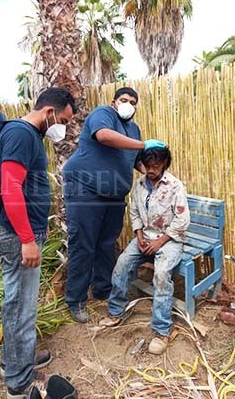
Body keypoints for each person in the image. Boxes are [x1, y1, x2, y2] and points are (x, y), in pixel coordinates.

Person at [0, 87, 76, 399]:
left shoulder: (28, 136)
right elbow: (10, 188)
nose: (64, 128)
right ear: (49, 113)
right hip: (20, 236)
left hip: (23, 233)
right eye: (64, 120)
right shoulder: (20, 134)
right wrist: (28, 239)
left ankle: (15, 361)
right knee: (21, 307)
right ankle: (18, 381)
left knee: (19, 304)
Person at [62, 87, 165, 323]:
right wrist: (143, 145)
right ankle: (76, 299)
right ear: (114, 102)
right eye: (124, 100)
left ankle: (102, 289)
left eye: (133, 102)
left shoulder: (134, 129)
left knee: (107, 244)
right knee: (84, 244)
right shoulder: (103, 114)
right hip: (85, 188)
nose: (128, 104)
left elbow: (136, 161)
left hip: (114, 193)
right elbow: (104, 136)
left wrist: (153, 174)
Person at [99, 147, 190, 355]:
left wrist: (160, 241)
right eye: (147, 166)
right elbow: (134, 212)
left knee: (161, 274)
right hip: (145, 238)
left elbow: (182, 220)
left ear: (165, 162)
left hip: (170, 240)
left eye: (155, 166)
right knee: (121, 264)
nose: (150, 170)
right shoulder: (139, 185)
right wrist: (139, 236)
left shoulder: (174, 186)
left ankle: (161, 330)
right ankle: (116, 311)